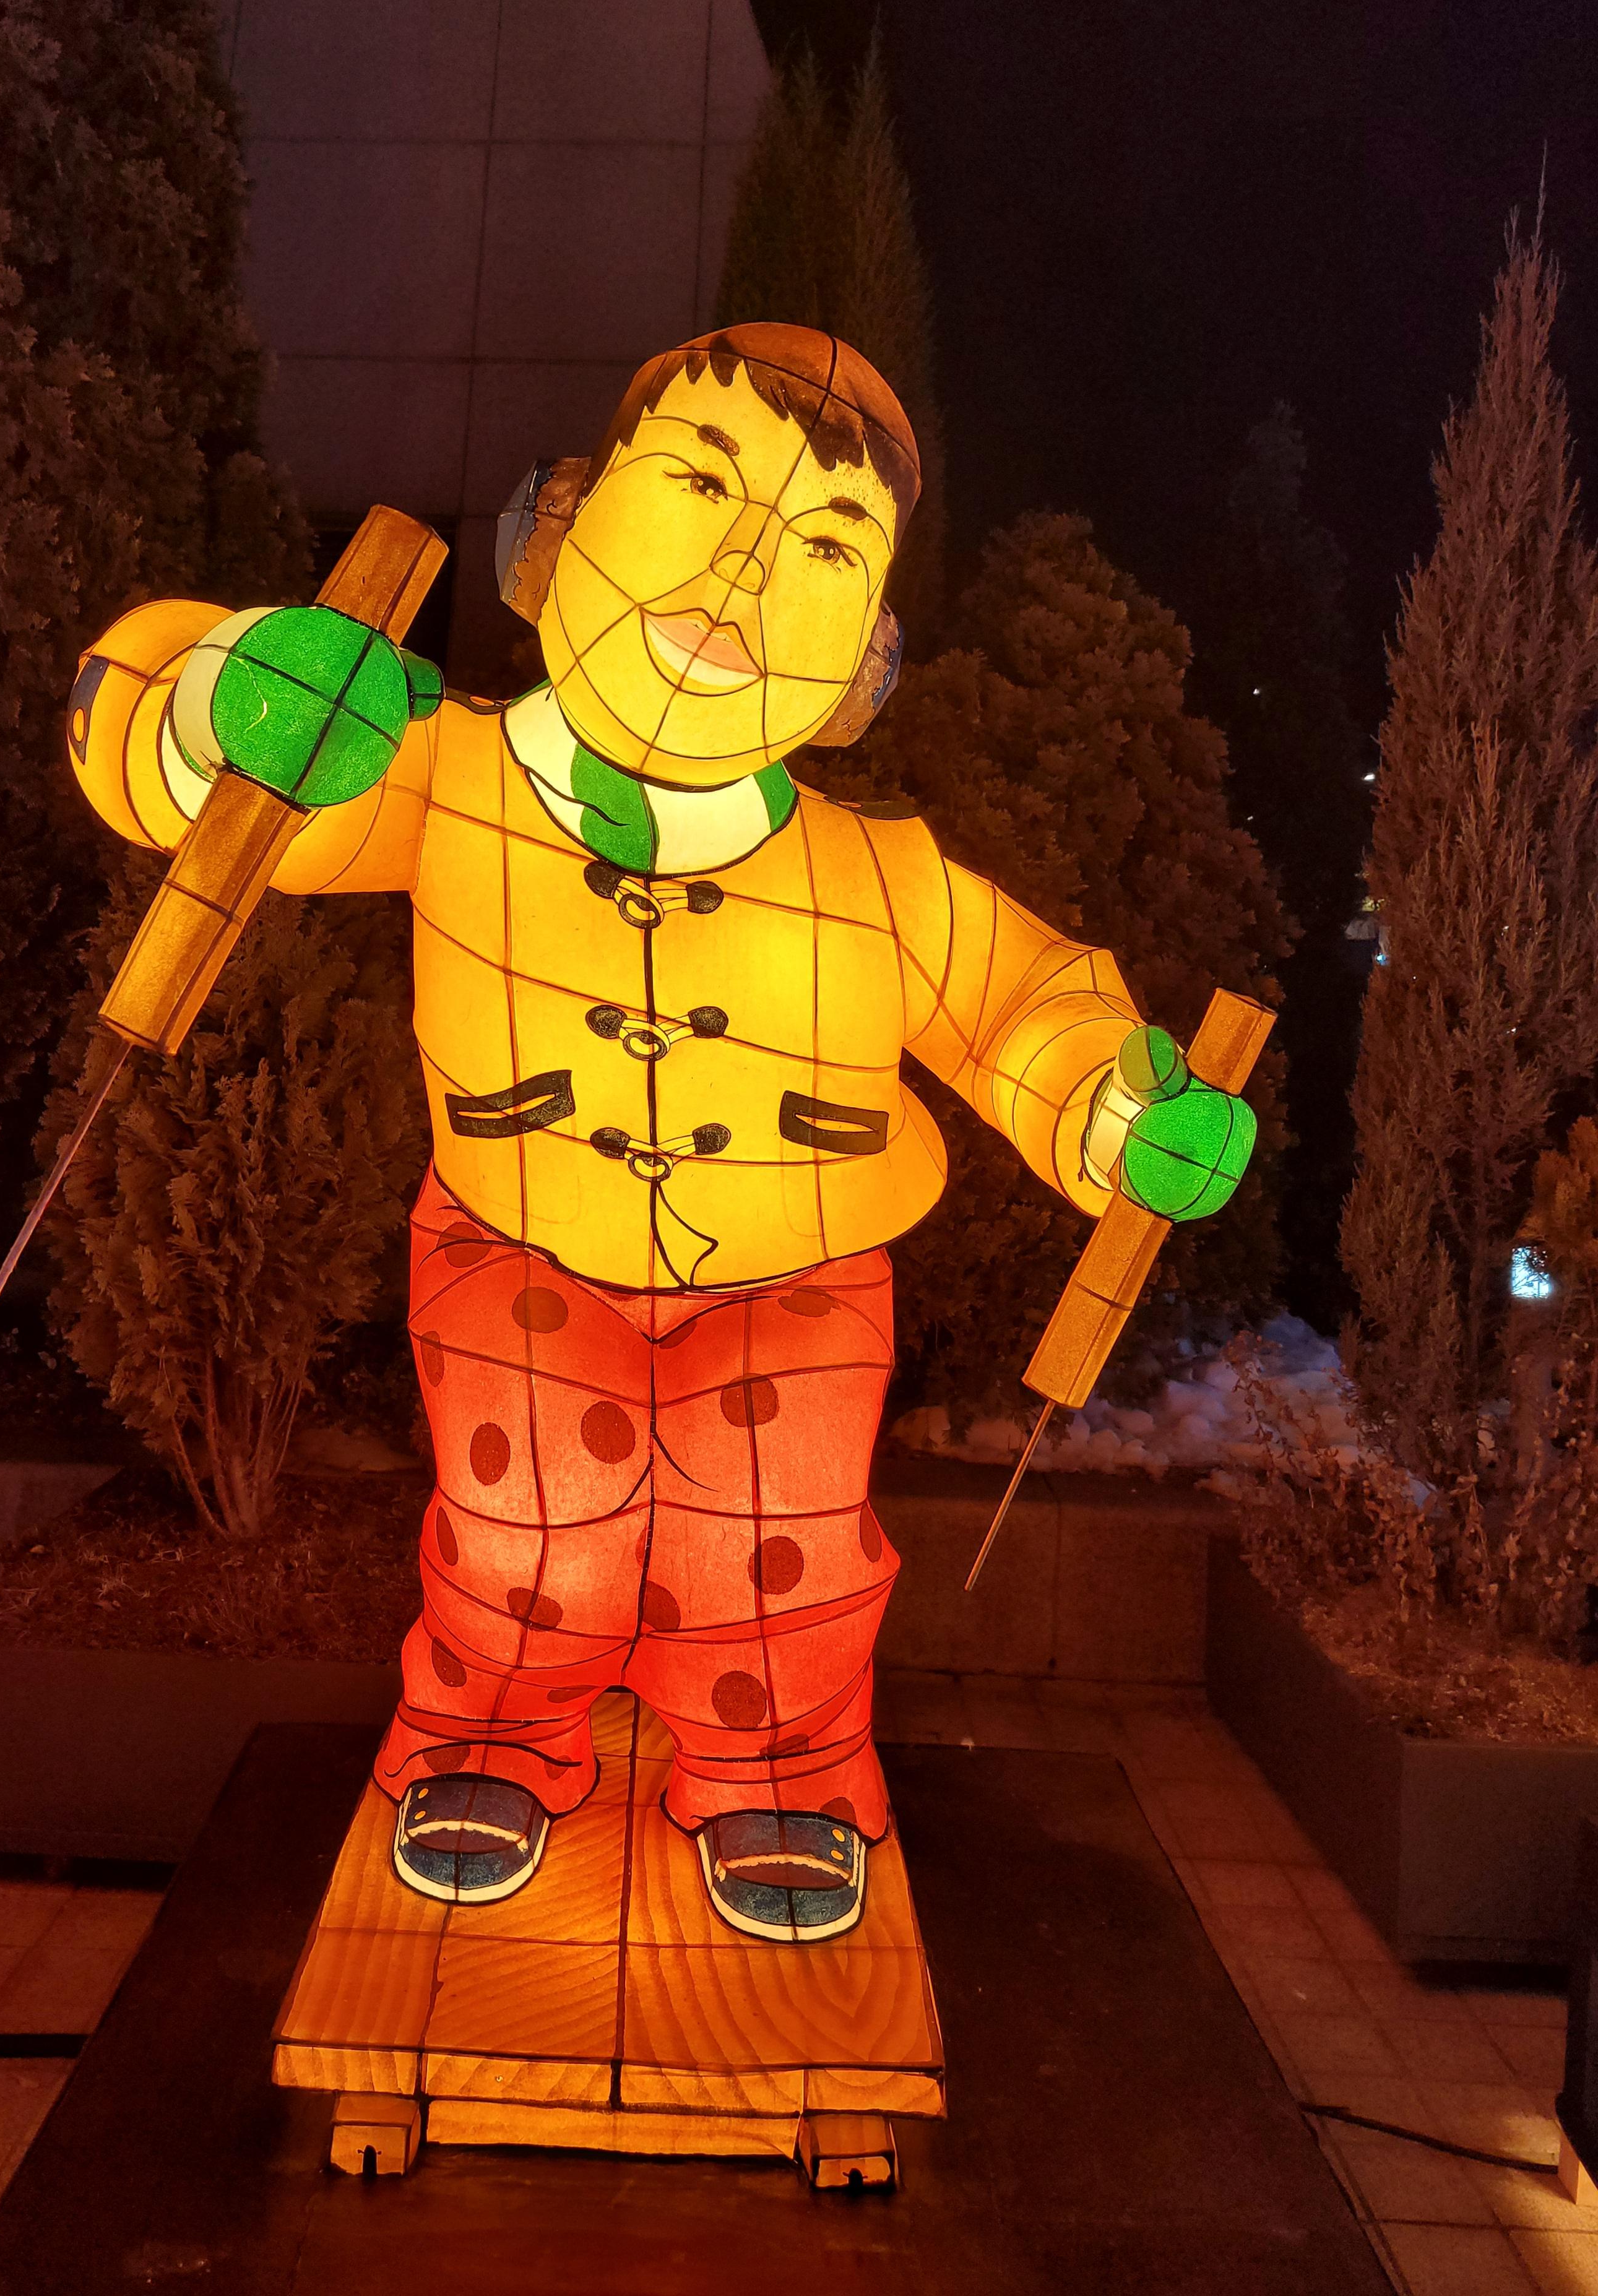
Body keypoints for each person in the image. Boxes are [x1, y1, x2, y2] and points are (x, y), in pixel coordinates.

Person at [66, 324, 1255, 1944]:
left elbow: (1021, 1006)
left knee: (779, 1529)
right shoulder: (442, 771)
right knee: (528, 1515)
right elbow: (162, 751)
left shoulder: (882, 876)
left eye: (827, 544)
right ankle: (492, 1733)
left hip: (802, 1270)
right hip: (518, 1236)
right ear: (552, 532)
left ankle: (777, 1764)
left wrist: (1120, 1110)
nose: (748, 564)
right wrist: (224, 703)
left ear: (866, 664)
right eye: (701, 483)